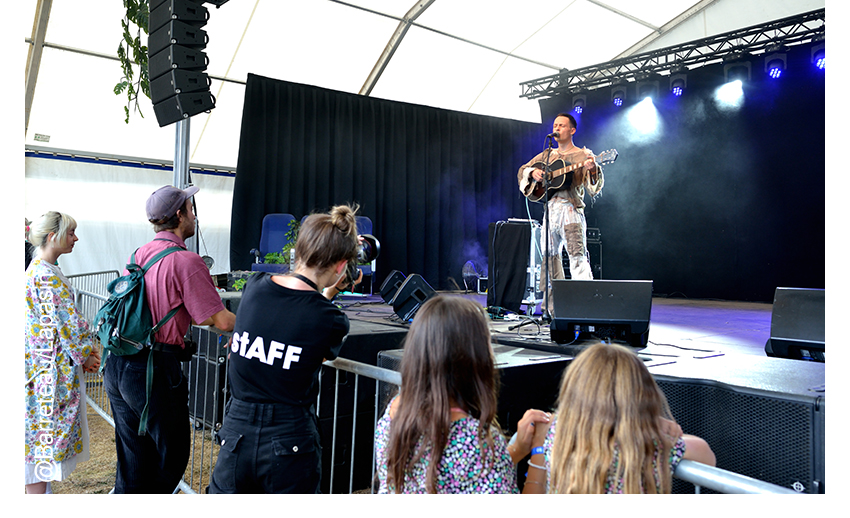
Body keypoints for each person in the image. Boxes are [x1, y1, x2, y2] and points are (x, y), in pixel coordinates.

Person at [209, 204, 363, 494]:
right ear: (341, 266)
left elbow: (288, 314)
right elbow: (310, 336)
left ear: (298, 249)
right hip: (289, 435)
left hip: (236, 429)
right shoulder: (329, 318)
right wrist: (331, 293)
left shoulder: (254, 287)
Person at [103, 185, 236, 493]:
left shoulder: (139, 254)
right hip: (154, 370)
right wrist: (258, 324)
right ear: (180, 215)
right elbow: (218, 320)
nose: (194, 216)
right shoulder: (187, 261)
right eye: (192, 210)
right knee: (172, 457)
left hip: (119, 363)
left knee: (133, 460)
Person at [374, 295, 551, 494]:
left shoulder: (394, 415)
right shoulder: (479, 444)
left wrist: (517, 449)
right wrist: (539, 453)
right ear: (475, 359)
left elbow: (460, 482)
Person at [522, 342, 716, 494]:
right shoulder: (648, 443)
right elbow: (706, 455)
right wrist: (652, 424)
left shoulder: (558, 435)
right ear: (641, 396)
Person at [25, 211, 101, 494]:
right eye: (71, 233)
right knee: (43, 442)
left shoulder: (39, 270)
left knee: (38, 440)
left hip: (41, 365)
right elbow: (68, 325)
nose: (76, 238)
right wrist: (87, 354)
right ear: (52, 237)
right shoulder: (47, 277)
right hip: (50, 370)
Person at [517, 113, 603, 313]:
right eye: (555, 125)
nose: (556, 128)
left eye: (562, 125)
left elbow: (593, 188)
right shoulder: (547, 155)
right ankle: (551, 310)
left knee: (577, 258)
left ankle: (585, 309)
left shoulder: (583, 155)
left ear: (572, 130)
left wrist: (592, 169)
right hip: (550, 212)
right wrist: (533, 173)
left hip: (570, 211)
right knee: (549, 261)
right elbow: (523, 169)